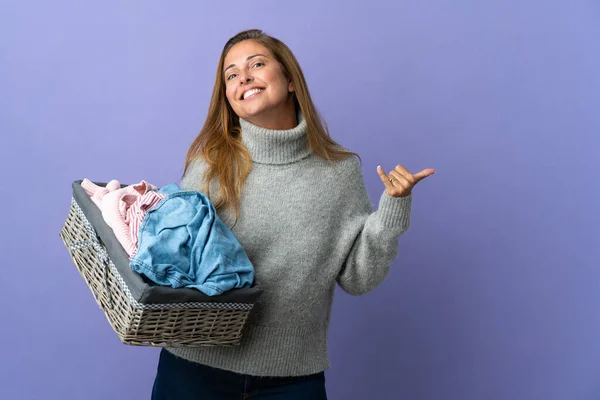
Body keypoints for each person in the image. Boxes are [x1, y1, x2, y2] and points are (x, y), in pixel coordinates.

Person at [151, 28, 435, 400]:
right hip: (193, 370)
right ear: (228, 97)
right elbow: (173, 258)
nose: (244, 78)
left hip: (291, 379)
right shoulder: (211, 164)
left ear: (289, 80)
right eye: (231, 75)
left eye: (257, 64)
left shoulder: (339, 172)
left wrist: (392, 210)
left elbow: (358, 279)